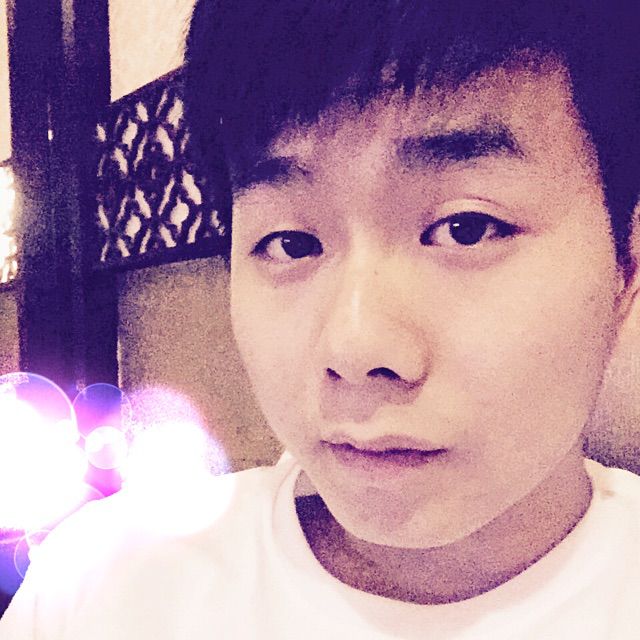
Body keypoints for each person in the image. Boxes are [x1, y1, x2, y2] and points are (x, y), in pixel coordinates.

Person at [2, 0, 640, 637]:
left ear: (625, 266)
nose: (356, 348)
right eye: (292, 242)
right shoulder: (108, 589)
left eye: (466, 228)